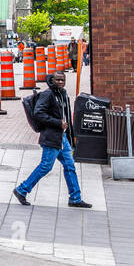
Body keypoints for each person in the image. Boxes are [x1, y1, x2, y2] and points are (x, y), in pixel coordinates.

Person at [13, 72, 92, 208]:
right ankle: (22, 189)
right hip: (51, 137)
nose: (60, 82)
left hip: (62, 138)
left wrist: (69, 134)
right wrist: (57, 123)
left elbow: (66, 116)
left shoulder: (62, 94)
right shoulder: (47, 94)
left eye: (63, 80)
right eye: (58, 80)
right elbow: (38, 113)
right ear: (52, 80)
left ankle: (75, 198)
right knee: (46, 166)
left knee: (69, 166)